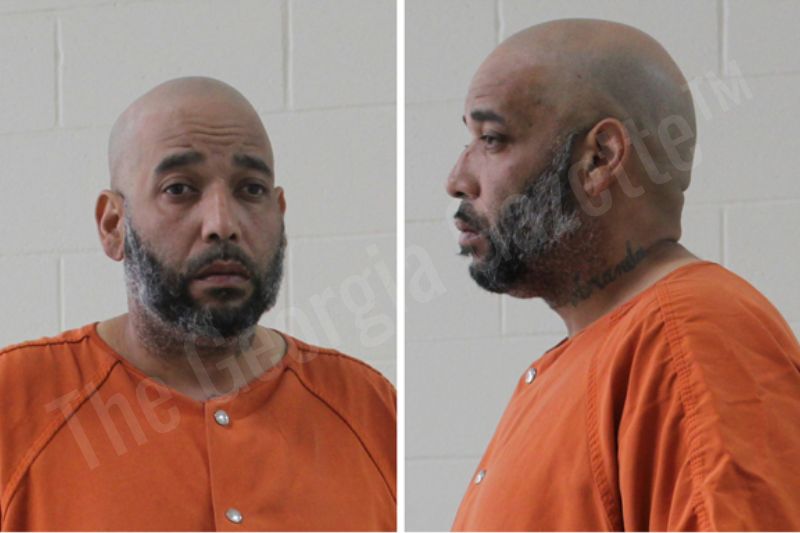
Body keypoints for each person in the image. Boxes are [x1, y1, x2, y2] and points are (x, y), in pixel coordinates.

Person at [447, 18, 800, 531]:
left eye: (492, 139)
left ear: (600, 159)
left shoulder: (690, 340)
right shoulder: (616, 346)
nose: (457, 179)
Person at [0, 77, 395, 531]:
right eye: (179, 189)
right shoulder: (17, 403)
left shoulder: (371, 409)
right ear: (113, 225)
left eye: (251, 190)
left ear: (280, 214)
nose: (222, 224)